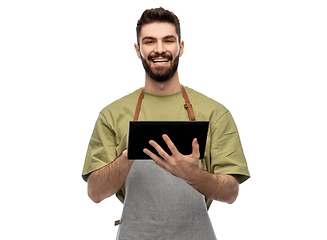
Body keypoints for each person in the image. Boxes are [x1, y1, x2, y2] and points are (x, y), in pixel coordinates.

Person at [82, 7, 250, 239]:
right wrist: (127, 156)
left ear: (180, 47)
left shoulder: (215, 113)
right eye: (149, 41)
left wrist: (191, 173)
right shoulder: (112, 114)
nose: (159, 49)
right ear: (137, 49)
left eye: (168, 40)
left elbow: (231, 193)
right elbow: (95, 193)